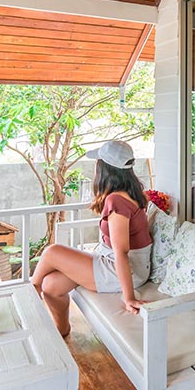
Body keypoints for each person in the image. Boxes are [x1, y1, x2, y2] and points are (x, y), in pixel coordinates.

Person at [30, 140, 151, 336]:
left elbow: (121, 252)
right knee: (51, 285)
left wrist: (128, 297)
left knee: (52, 252)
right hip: (124, 264)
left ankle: (31, 294)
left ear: (104, 168)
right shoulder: (130, 194)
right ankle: (62, 330)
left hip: (122, 269)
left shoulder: (116, 201)